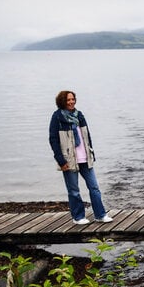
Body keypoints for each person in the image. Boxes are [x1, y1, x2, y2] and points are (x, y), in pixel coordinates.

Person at [48, 90, 113, 225]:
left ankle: (100, 215)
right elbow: (53, 140)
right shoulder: (57, 117)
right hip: (69, 159)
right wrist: (61, 160)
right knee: (74, 191)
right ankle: (78, 217)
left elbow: (87, 136)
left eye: (73, 99)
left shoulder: (80, 115)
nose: (71, 102)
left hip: (85, 158)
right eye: (68, 100)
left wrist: (91, 153)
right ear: (62, 102)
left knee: (94, 187)